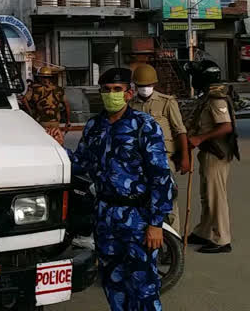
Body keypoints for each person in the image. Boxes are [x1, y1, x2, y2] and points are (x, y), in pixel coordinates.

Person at [53, 68, 173, 311]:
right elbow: (82, 164)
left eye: (117, 90)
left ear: (128, 93)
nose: (111, 95)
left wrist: (156, 223)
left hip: (138, 218)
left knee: (144, 287)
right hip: (105, 217)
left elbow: (160, 176)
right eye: (106, 90)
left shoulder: (144, 126)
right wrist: (57, 148)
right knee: (113, 284)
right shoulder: (95, 126)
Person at [186, 61, 239, 254]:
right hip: (208, 153)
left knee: (216, 196)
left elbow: (226, 126)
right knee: (207, 195)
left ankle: (221, 239)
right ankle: (204, 231)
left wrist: (199, 138)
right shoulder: (208, 97)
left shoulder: (217, 99)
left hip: (216, 153)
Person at [130, 63, 189, 232]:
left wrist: (184, 157)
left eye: (147, 85)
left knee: (169, 199)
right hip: (140, 159)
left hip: (164, 157)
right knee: (144, 198)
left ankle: (173, 238)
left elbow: (180, 131)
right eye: (141, 86)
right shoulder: (131, 105)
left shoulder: (167, 102)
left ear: (154, 85)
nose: (144, 89)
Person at [24, 66, 71, 131]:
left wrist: (30, 111)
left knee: (41, 140)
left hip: (41, 121)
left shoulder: (34, 88)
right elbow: (67, 105)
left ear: (40, 77)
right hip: (55, 122)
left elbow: (24, 99)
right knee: (54, 141)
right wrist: (68, 121)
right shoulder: (58, 89)